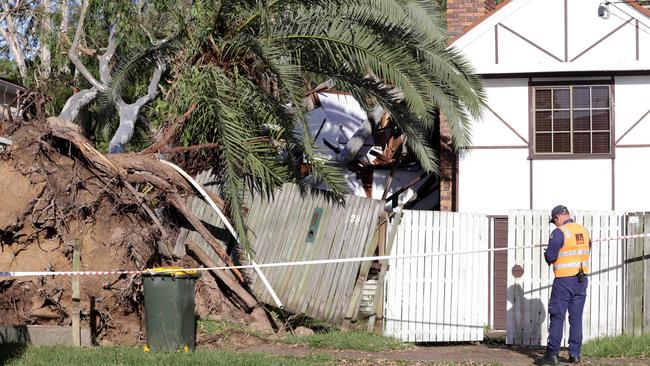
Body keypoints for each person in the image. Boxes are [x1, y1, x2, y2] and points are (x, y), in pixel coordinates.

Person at [535, 205, 591, 365]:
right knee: (576, 318)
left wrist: (546, 253)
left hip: (564, 281)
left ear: (558, 217)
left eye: (554, 221)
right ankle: (575, 355)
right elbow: (586, 251)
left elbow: (551, 257)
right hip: (581, 280)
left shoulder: (559, 232)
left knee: (557, 316)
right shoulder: (584, 231)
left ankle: (552, 355)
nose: (554, 224)